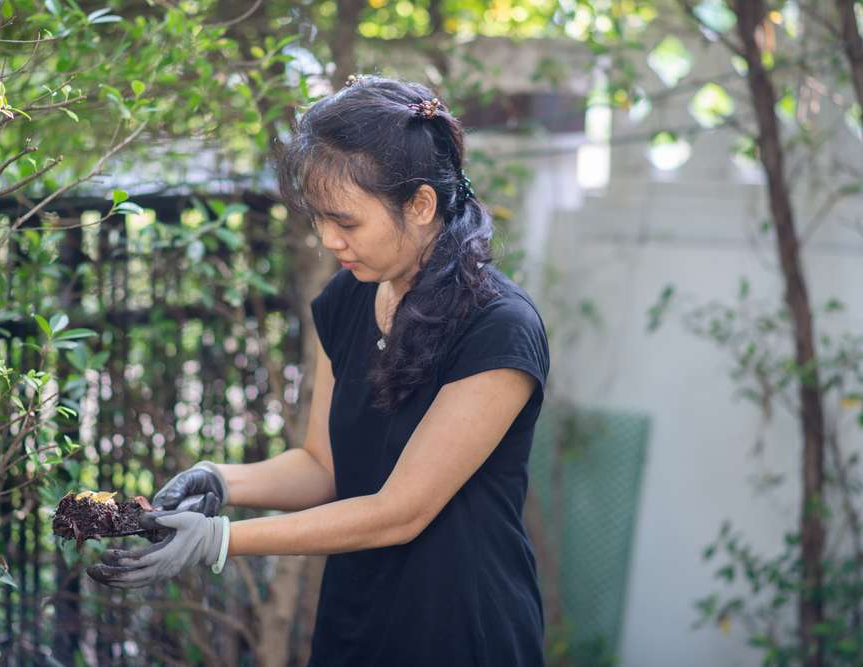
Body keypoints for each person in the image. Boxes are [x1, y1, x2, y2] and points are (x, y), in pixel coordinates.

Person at [87, 75, 550, 667]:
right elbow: (323, 468)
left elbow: (399, 511)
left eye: (347, 222)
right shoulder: (351, 297)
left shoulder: (499, 327)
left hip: (461, 626)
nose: (329, 239)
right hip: (358, 615)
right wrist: (223, 480)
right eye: (318, 219)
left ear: (421, 205)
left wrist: (220, 538)